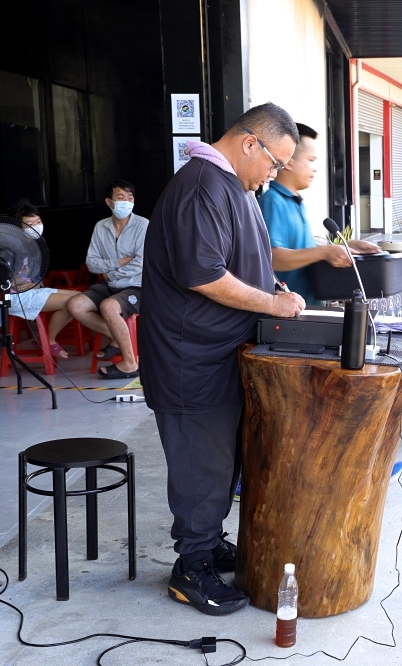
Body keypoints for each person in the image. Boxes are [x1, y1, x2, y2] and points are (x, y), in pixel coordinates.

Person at [139, 103, 304, 616]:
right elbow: (204, 275)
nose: (274, 175)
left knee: (221, 463)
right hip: (192, 359)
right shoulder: (201, 187)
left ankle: (208, 544)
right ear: (250, 143)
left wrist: (267, 286)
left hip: (220, 354)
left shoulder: (234, 186)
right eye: (274, 163)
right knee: (201, 467)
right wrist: (272, 303)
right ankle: (191, 567)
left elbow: (237, 262)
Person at [259, 123, 380, 305]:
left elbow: (302, 248)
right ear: (289, 161)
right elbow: (272, 258)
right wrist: (324, 252)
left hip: (309, 307)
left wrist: (346, 246)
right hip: (288, 313)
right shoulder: (273, 201)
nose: (314, 168)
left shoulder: (295, 201)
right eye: (311, 159)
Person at [66, 180, 148, 379]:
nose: (126, 202)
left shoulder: (143, 225)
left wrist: (110, 273)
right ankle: (117, 337)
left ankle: (130, 363)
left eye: (130, 198)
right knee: (75, 305)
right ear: (109, 202)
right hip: (111, 286)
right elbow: (92, 263)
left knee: (109, 307)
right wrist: (120, 262)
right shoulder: (100, 227)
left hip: (136, 286)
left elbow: (140, 264)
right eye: (121, 198)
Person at [0, 200, 81, 360]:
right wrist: (17, 284)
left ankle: (45, 339)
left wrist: (32, 285)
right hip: (13, 297)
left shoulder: (33, 244)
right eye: (29, 223)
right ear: (17, 226)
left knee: (80, 299)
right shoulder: (6, 246)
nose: (36, 226)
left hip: (31, 291)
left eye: (38, 221)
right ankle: (49, 340)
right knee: (71, 303)